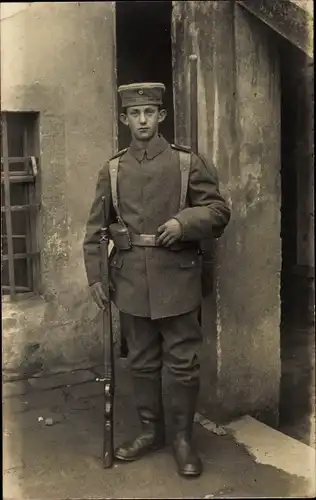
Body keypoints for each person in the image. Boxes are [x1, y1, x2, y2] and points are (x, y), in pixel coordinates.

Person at [83, 82, 231, 478]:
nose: (143, 120)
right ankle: (152, 431)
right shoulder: (113, 169)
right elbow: (96, 229)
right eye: (135, 113)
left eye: (150, 112)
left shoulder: (187, 163)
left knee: (182, 363)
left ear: (161, 116)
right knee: (143, 363)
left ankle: (182, 438)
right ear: (124, 119)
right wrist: (97, 276)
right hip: (130, 281)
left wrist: (184, 223)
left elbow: (218, 211)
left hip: (178, 279)